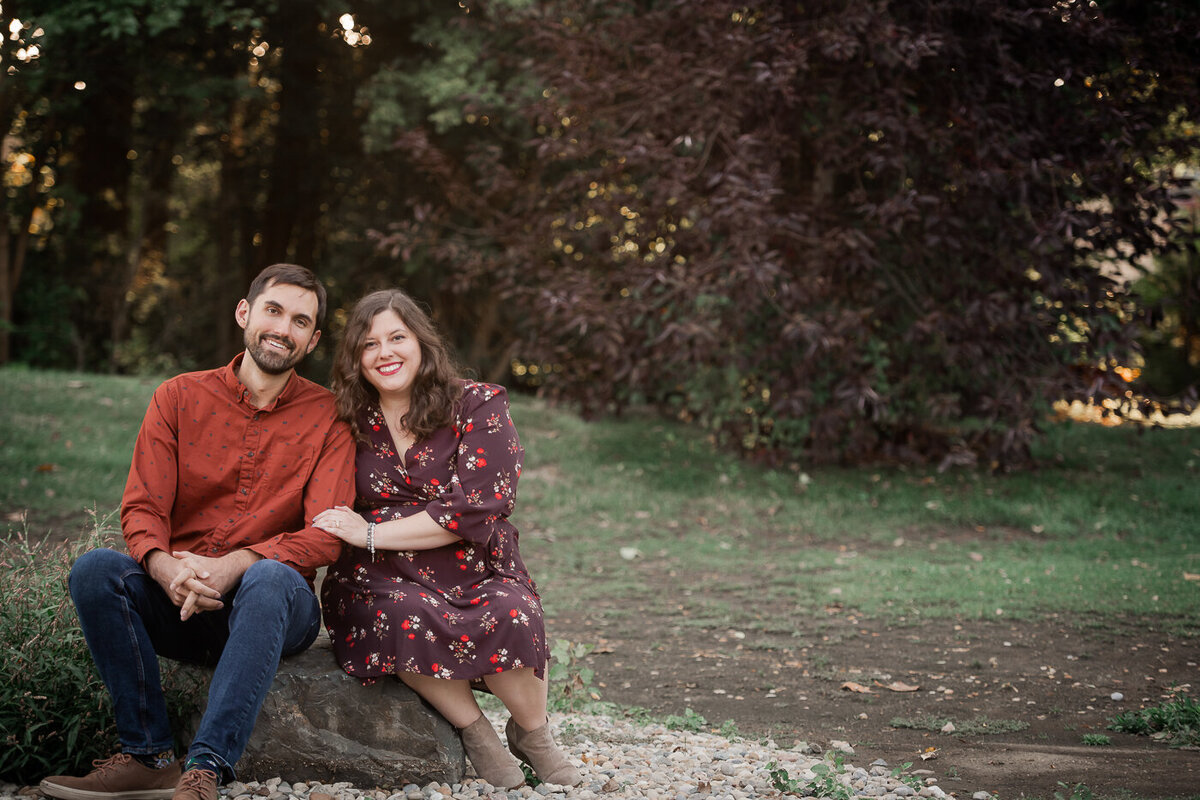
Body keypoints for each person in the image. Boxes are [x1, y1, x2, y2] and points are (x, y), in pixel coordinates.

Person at [40, 264, 356, 800]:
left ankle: (205, 769)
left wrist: (235, 563)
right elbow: (142, 509)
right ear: (244, 313)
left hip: (274, 606)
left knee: (271, 580)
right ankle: (149, 757)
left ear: (313, 338)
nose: (283, 328)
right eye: (273, 311)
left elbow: (327, 534)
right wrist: (166, 570)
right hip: (180, 599)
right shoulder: (179, 397)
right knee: (96, 569)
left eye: (300, 321)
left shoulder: (329, 417)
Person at [313, 289, 582, 790]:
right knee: (400, 614)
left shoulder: (478, 404)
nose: (385, 352)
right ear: (355, 359)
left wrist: (370, 531)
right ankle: (475, 731)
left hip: (473, 562)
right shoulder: (347, 420)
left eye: (397, 337)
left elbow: (477, 506)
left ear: (422, 342)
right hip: (379, 572)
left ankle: (533, 735)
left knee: (509, 613)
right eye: (369, 344)